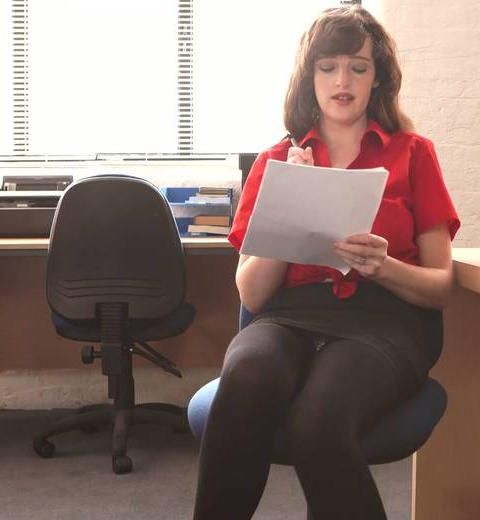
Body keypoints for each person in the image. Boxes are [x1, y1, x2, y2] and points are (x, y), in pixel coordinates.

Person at [193, 6, 460, 520]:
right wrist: (291, 204)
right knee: (245, 379)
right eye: (328, 67)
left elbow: (440, 287)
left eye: (358, 68)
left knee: (317, 422)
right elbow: (252, 294)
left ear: (377, 78)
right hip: (289, 317)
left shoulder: (414, 154)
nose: (343, 81)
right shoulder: (276, 160)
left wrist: (384, 266)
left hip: (383, 324)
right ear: (309, 76)